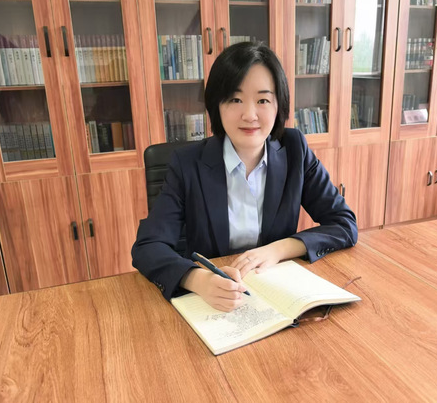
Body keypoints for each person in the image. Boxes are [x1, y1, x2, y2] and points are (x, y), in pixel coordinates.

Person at [132, 42, 357, 312]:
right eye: (235, 100)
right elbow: (148, 246)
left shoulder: (295, 150)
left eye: (263, 100)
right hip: (215, 302)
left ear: (278, 105)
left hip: (277, 296)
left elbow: (344, 224)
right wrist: (198, 279)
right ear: (217, 106)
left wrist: (278, 249)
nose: (250, 115)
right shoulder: (187, 164)